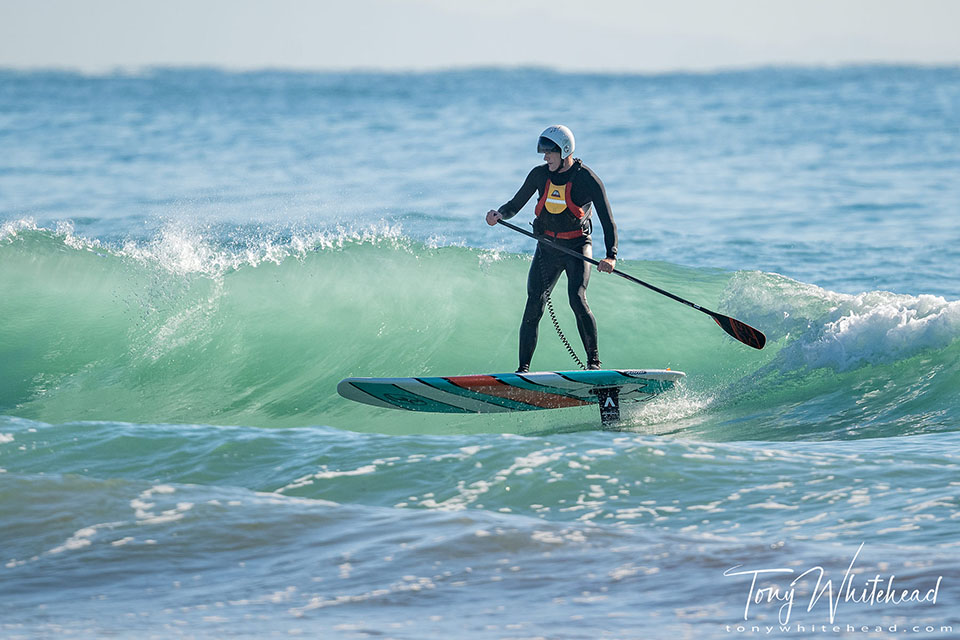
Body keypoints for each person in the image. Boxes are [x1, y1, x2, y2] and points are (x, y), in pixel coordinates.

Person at [486, 125, 618, 373]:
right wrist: (499, 214)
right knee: (534, 303)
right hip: (547, 248)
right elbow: (515, 204)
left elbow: (608, 221)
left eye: (549, 153)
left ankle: (594, 364)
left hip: (577, 248)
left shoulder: (587, 179)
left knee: (576, 298)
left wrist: (611, 256)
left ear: (564, 150)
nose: (545, 157)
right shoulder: (539, 175)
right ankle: (522, 370)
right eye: (544, 153)